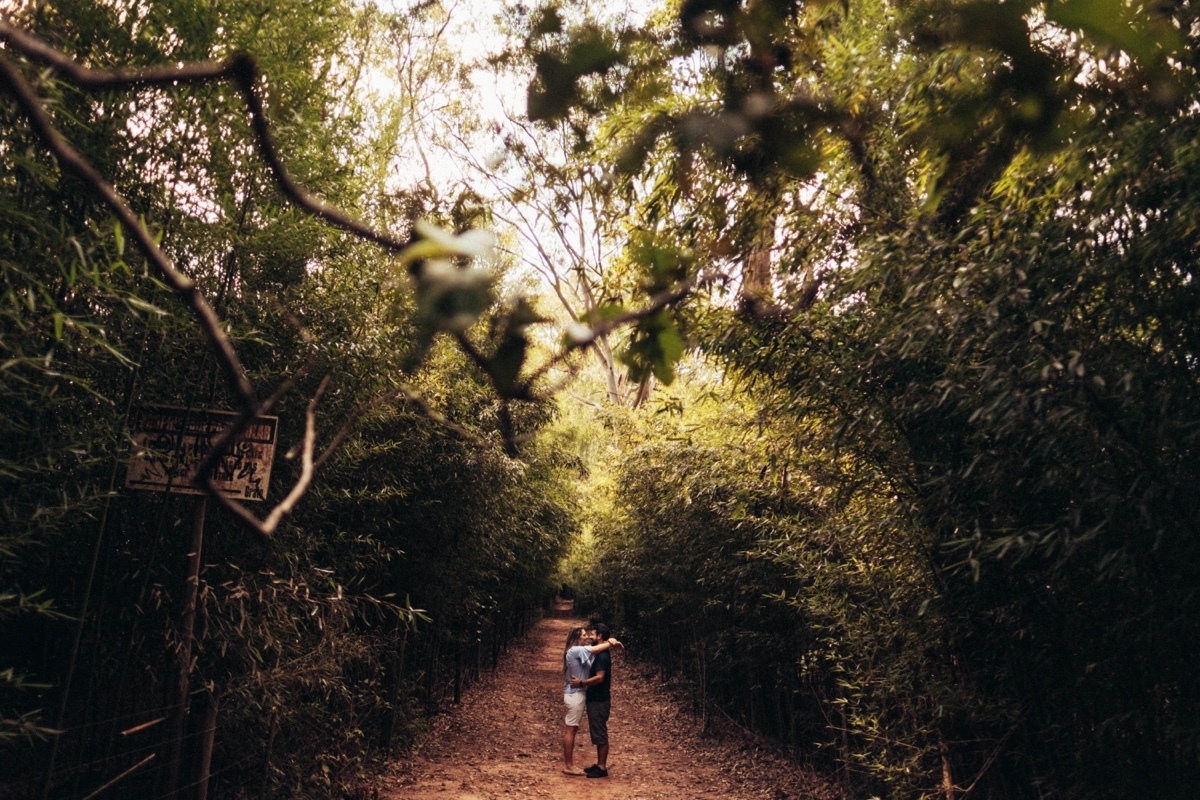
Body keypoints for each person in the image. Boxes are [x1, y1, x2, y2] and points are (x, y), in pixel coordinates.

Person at [562, 625, 621, 775]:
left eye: (591, 635)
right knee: (571, 730)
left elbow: (599, 675)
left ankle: (601, 766)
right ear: (576, 638)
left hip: (586, 694)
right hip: (575, 695)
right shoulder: (575, 650)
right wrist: (611, 642)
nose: (588, 637)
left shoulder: (598, 654)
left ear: (599, 635)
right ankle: (569, 765)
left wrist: (609, 642)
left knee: (592, 730)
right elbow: (593, 650)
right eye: (584, 635)